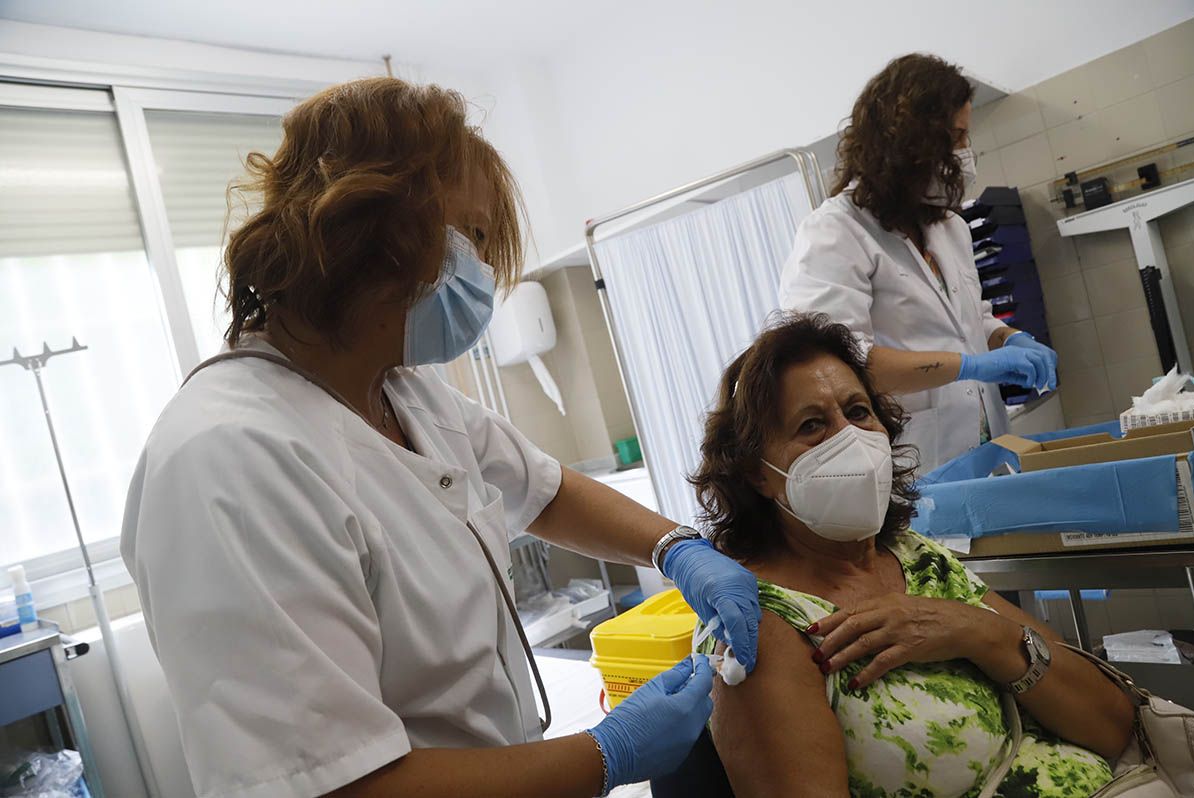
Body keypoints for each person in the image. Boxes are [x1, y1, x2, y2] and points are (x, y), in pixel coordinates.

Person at [120, 77, 762, 798]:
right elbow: (334, 785)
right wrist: (605, 755)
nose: (485, 274)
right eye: (473, 238)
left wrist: (676, 548)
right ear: (365, 224)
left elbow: (544, 491)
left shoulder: (401, 390)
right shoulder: (231, 459)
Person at [684, 313, 1132, 797]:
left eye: (858, 412)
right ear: (756, 473)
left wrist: (976, 631)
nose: (849, 440)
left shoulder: (914, 557)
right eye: (812, 425)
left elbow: (1111, 722)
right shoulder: (759, 625)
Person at [779, 54, 1059, 472]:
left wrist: (1008, 338)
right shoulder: (834, 232)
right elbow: (834, 366)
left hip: (987, 441)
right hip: (912, 458)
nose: (966, 153)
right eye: (957, 137)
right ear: (911, 142)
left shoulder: (948, 227)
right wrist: (969, 366)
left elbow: (970, 318)